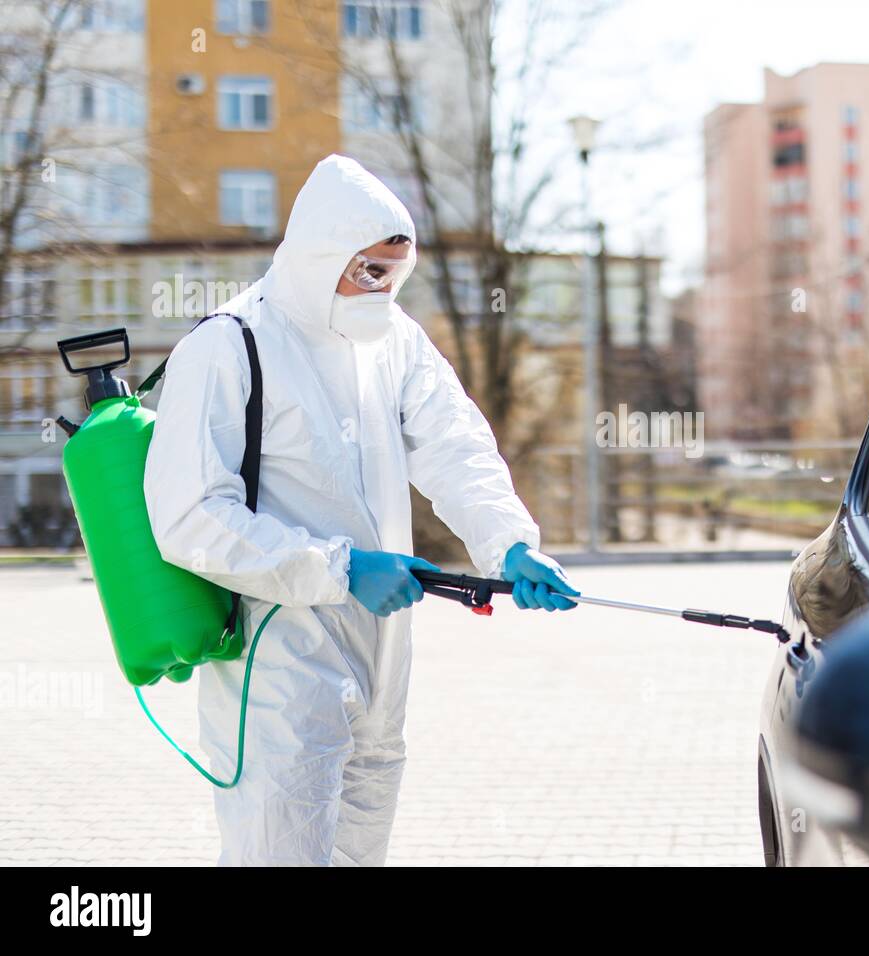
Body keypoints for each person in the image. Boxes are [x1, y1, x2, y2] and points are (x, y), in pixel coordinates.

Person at [143, 154, 578, 866]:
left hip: (379, 661)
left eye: (393, 273)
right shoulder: (231, 344)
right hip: (278, 664)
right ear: (320, 254)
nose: (381, 287)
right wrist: (340, 570)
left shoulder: (393, 341)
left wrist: (510, 545)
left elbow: (454, 446)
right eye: (367, 270)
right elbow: (190, 516)